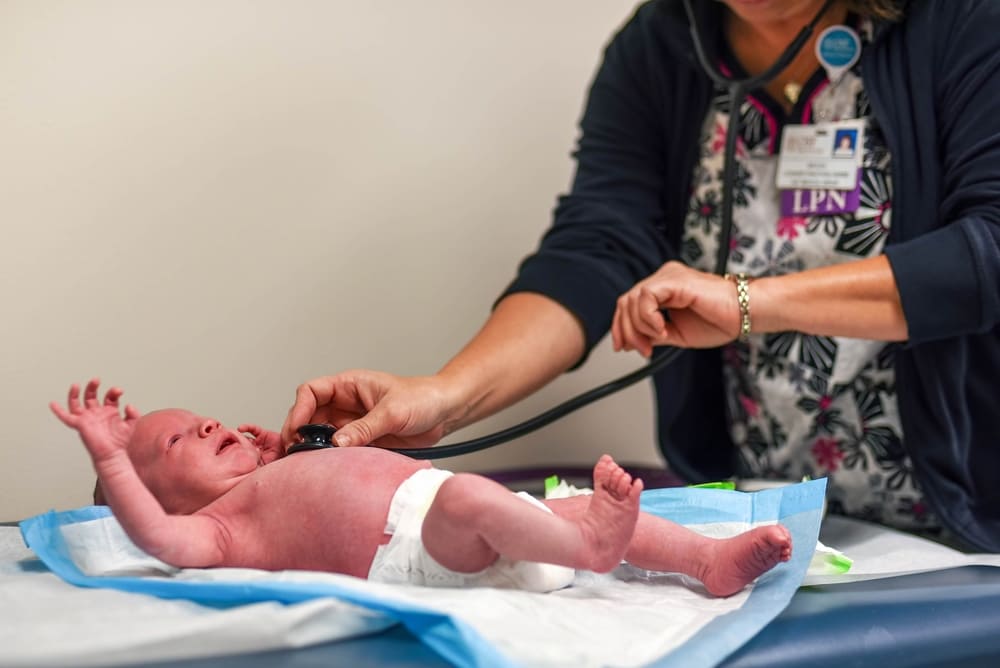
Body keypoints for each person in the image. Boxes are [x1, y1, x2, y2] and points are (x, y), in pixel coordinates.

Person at [280, 0, 1000, 553]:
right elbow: (595, 250)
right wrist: (446, 397)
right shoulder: (660, 46)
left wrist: (750, 302)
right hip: (777, 523)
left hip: (971, 516)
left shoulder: (966, 22)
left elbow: (987, 251)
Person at [52, 379, 792, 597]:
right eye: (179, 440)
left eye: (202, 413)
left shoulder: (269, 476)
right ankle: (594, 545)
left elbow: (323, 476)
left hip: (486, 523)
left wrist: (280, 454)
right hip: (425, 547)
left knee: (531, 505)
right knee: (474, 498)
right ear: (155, 497)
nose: (209, 421)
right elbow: (152, 535)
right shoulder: (212, 532)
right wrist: (111, 460)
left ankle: (707, 561)